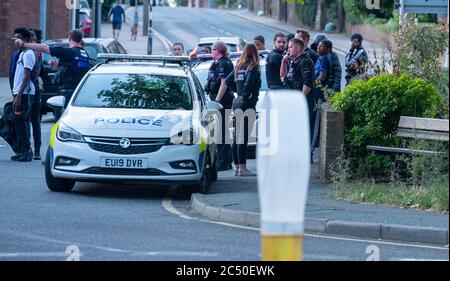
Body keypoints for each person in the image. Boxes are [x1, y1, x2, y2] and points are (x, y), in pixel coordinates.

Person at [13, 29, 92, 117]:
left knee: (62, 122)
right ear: (81, 39)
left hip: (67, 94)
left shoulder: (70, 52)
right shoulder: (85, 54)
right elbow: (74, 69)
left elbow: (44, 48)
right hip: (80, 94)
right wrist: (57, 68)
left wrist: (23, 44)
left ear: (70, 38)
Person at [224, 43, 261, 176]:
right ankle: (243, 168)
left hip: (237, 103)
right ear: (255, 53)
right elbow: (249, 83)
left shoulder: (238, 66)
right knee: (243, 137)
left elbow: (227, 82)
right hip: (247, 104)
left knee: (237, 137)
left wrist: (238, 93)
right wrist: (246, 95)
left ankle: (237, 168)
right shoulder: (253, 67)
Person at [280, 38, 315, 162]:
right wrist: (283, 62)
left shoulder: (305, 61)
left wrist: (299, 100)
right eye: (288, 47)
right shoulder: (292, 61)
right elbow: (283, 77)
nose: (288, 49)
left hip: (303, 103)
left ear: (298, 48)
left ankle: (305, 157)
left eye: (290, 47)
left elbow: (308, 84)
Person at [204, 41, 234, 171]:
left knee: (221, 131)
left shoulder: (223, 63)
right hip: (219, 99)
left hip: (222, 101)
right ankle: (225, 162)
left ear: (218, 50)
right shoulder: (217, 63)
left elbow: (224, 83)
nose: (211, 52)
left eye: (212, 49)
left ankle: (223, 162)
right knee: (221, 131)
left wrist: (217, 101)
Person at [10, 27, 36, 162]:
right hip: (19, 92)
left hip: (24, 93)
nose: (15, 40)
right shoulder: (22, 53)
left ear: (25, 39)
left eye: (18, 38)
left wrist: (19, 95)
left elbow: (26, 76)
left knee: (22, 121)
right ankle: (22, 150)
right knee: (19, 122)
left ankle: (26, 151)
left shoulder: (29, 54)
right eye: (14, 38)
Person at [28, 30, 44, 160]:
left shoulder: (32, 53)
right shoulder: (38, 53)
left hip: (31, 90)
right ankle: (34, 149)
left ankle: (32, 149)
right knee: (34, 120)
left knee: (30, 120)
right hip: (35, 90)